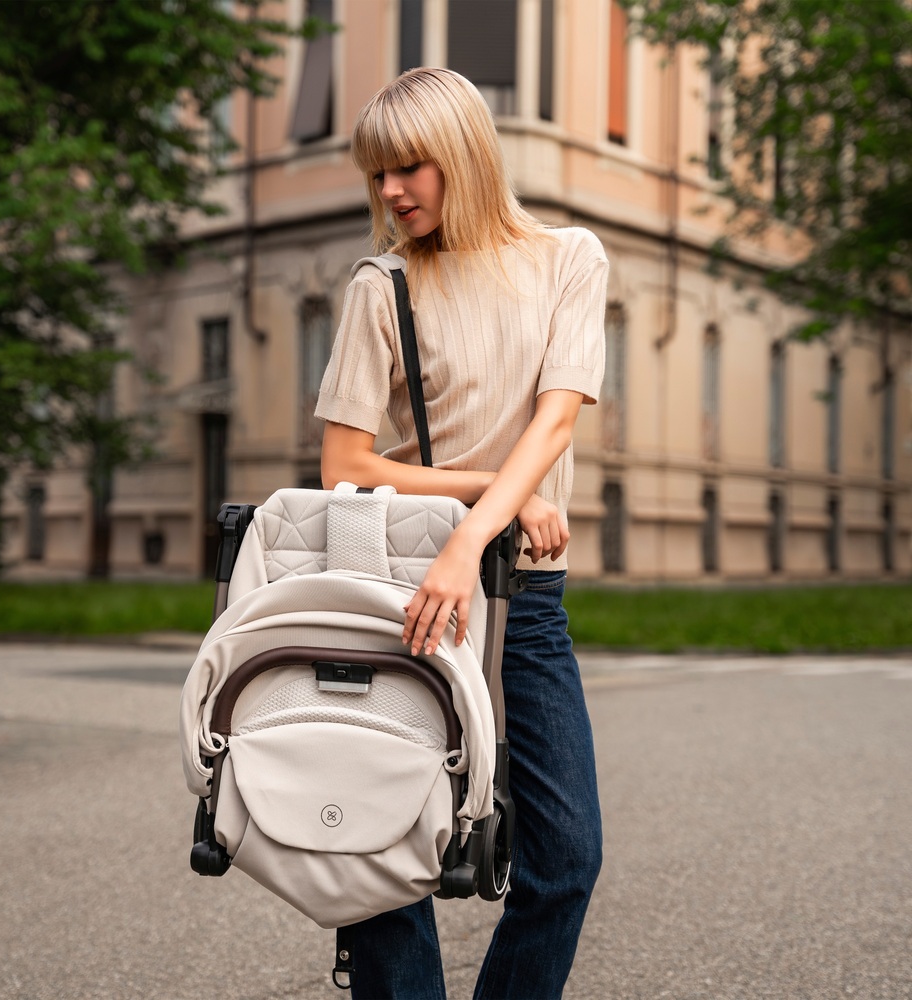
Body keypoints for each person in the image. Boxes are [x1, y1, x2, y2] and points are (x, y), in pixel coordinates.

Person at [315, 67, 607, 1000]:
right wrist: (500, 495)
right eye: (377, 176)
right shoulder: (381, 283)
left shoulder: (569, 257)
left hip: (518, 599)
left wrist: (469, 539)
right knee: (377, 843)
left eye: (410, 167)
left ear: (465, 155)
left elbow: (555, 423)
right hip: (398, 587)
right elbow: (344, 466)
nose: (392, 191)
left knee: (565, 857)